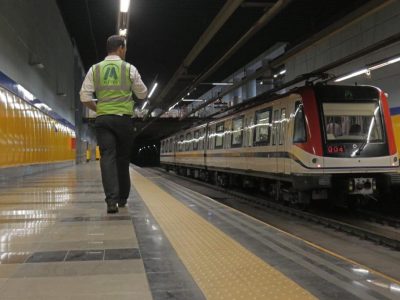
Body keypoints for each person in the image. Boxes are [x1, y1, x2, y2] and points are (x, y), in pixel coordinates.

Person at [80, 35, 148, 213]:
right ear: (120, 48)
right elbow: (142, 94)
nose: (125, 51)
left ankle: (111, 201)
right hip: (123, 119)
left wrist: (98, 108)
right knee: (122, 159)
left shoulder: (95, 69)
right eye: (125, 49)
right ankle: (123, 198)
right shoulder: (129, 69)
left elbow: (84, 97)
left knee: (107, 158)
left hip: (103, 119)